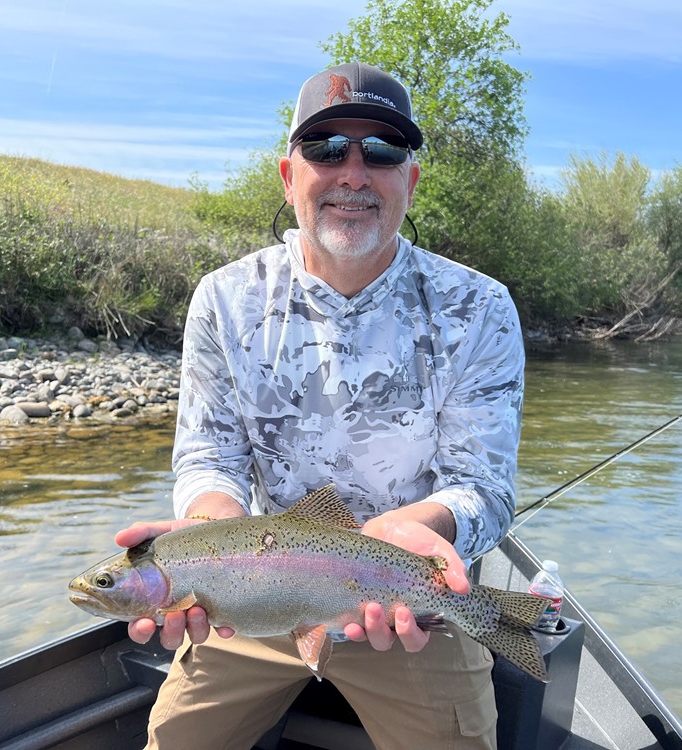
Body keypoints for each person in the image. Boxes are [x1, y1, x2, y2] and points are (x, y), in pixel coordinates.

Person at [117, 61, 525, 750]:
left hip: (412, 613)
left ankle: (491, 620)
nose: (354, 173)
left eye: (383, 151)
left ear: (411, 182)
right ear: (289, 175)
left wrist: (420, 531)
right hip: (251, 600)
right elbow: (209, 458)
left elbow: (483, 487)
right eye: (327, 148)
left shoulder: (478, 307)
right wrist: (211, 535)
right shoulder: (225, 298)